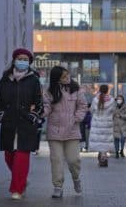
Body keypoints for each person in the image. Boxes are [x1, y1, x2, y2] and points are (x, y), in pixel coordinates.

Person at [0, 48, 43, 200]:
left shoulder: (34, 80)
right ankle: (21, 181)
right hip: (9, 123)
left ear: (29, 62)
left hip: (26, 124)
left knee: (22, 157)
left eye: (25, 59)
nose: (22, 61)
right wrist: (1, 113)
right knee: (9, 157)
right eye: (20, 58)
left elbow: (39, 103)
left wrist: (33, 116)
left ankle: (17, 189)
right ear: (14, 60)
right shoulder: (5, 80)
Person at [43, 66, 87, 198]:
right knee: (56, 160)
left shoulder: (76, 89)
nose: (67, 78)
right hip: (54, 132)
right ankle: (57, 186)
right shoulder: (49, 91)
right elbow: (46, 107)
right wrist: (39, 113)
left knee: (74, 160)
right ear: (57, 79)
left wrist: (77, 118)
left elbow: (83, 105)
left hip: (72, 131)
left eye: (68, 75)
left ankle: (76, 179)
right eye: (63, 76)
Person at [89, 85, 115, 166]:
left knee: (99, 141)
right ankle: (104, 156)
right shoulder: (112, 100)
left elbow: (91, 110)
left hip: (97, 123)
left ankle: (101, 157)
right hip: (107, 124)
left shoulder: (95, 99)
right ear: (107, 90)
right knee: (105, 141)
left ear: (99, 90)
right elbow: (113, 111)